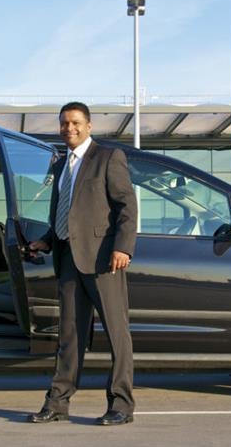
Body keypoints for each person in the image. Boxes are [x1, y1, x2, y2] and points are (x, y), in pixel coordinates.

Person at [27, 102, 138, 426]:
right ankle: (57, 403)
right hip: (68, 260)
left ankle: (121, 405)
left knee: (117, 334)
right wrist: (47, 240)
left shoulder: (108, 157)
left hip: (104, 261)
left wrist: (123, 247)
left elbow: (126, 206)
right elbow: (67, 213)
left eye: (75, 122)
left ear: (89, 126)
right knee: (69, 336)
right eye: (64, 123)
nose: (69, 128)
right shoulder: (61, 164)